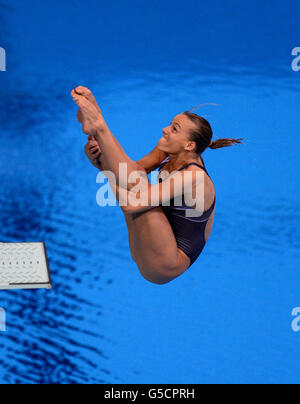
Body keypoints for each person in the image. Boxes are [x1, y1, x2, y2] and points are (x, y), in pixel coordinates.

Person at [72, 86, 243, 285]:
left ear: (189, 145)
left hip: (165, 264)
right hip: (149, 244)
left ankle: (100, 127)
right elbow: (133, 171)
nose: (165, 129)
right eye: (170, 124)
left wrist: (104, 169)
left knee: (139, 190)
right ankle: (98, 124)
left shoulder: (193, 175)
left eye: (174, 129)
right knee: (136, 178)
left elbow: (131, 204)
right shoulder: (169, 149)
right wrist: (103, 160)